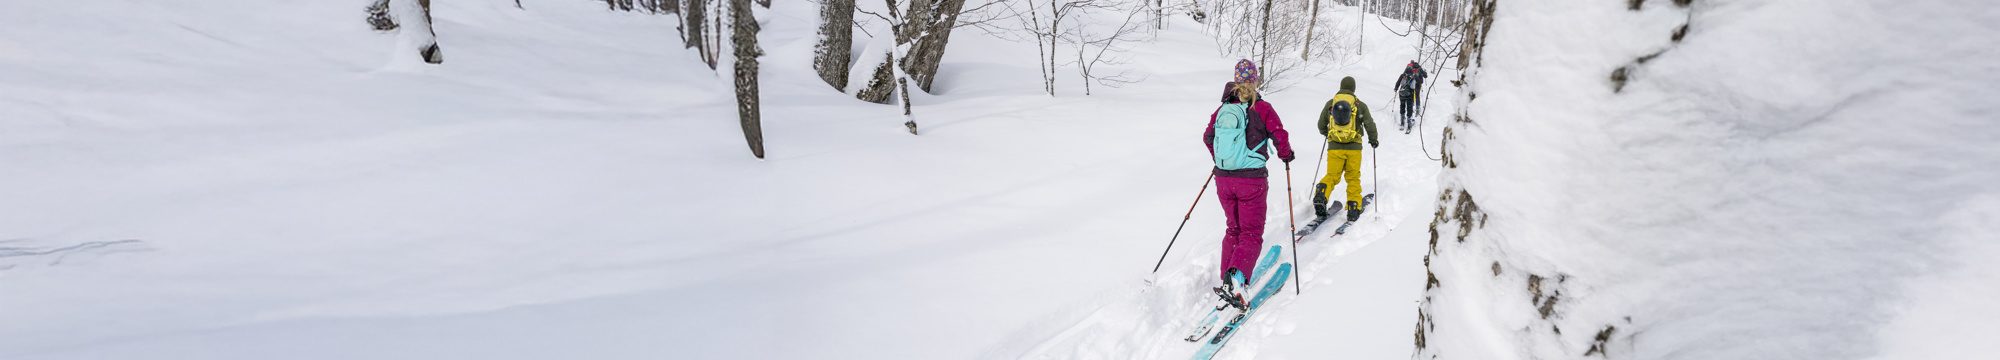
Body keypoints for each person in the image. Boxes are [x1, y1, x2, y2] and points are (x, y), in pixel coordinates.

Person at [1203, 60, 1295, 308]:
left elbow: (1207, 137)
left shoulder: (1222, 109)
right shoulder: (1262, 107)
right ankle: (1237, 280)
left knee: (1234, 229)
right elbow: (1279, 135)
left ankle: (1227, 280)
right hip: (1251, 181)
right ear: (1255, 80)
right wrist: (1286, 155)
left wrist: (1221, 159)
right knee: (1251, 232)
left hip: (1223, 179)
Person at [1312, 76, 1379, 225]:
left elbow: (1321, 124)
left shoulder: (1331, 103)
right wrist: (1373, 140)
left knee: (1332, 175)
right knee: (1353, 177)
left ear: (1341, 87)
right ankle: (1354, 208)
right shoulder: (1359, 105)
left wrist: (1327, 134)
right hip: (1354, 149)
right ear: (1354, 89)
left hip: (1334, 148)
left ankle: (1321, 194)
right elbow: (1369, 124)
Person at [1396, 61, 1427, 133]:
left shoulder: (1405, 73)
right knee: (1415, 99)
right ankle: (1416, 111)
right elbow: (1422, 79)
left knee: (1402, 105)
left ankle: (1402, 121)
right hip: (1412, 90)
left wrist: (1396, 88)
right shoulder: (1417, 70)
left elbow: (1399, 81)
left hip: (1402, 92)